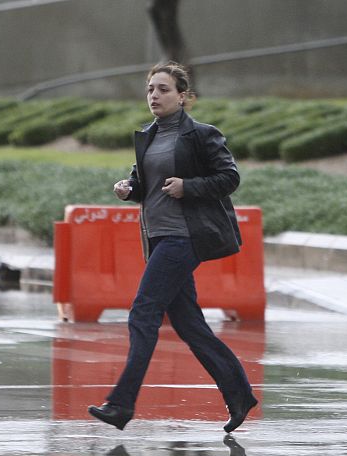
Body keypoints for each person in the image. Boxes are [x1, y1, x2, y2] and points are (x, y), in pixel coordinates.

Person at [88, 61, 258, 433]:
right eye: (150, 89)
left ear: (183, 96)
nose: (154, 96)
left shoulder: (201, 134)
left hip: (185, 236)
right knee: (189, 324)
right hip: (158, 236)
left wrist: (189, 186)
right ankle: (241, 396)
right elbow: (143, 182)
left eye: (163, 89)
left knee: (143, 312)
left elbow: (229, 177)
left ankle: (121, 404)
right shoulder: (148, 135)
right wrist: (129, 189)